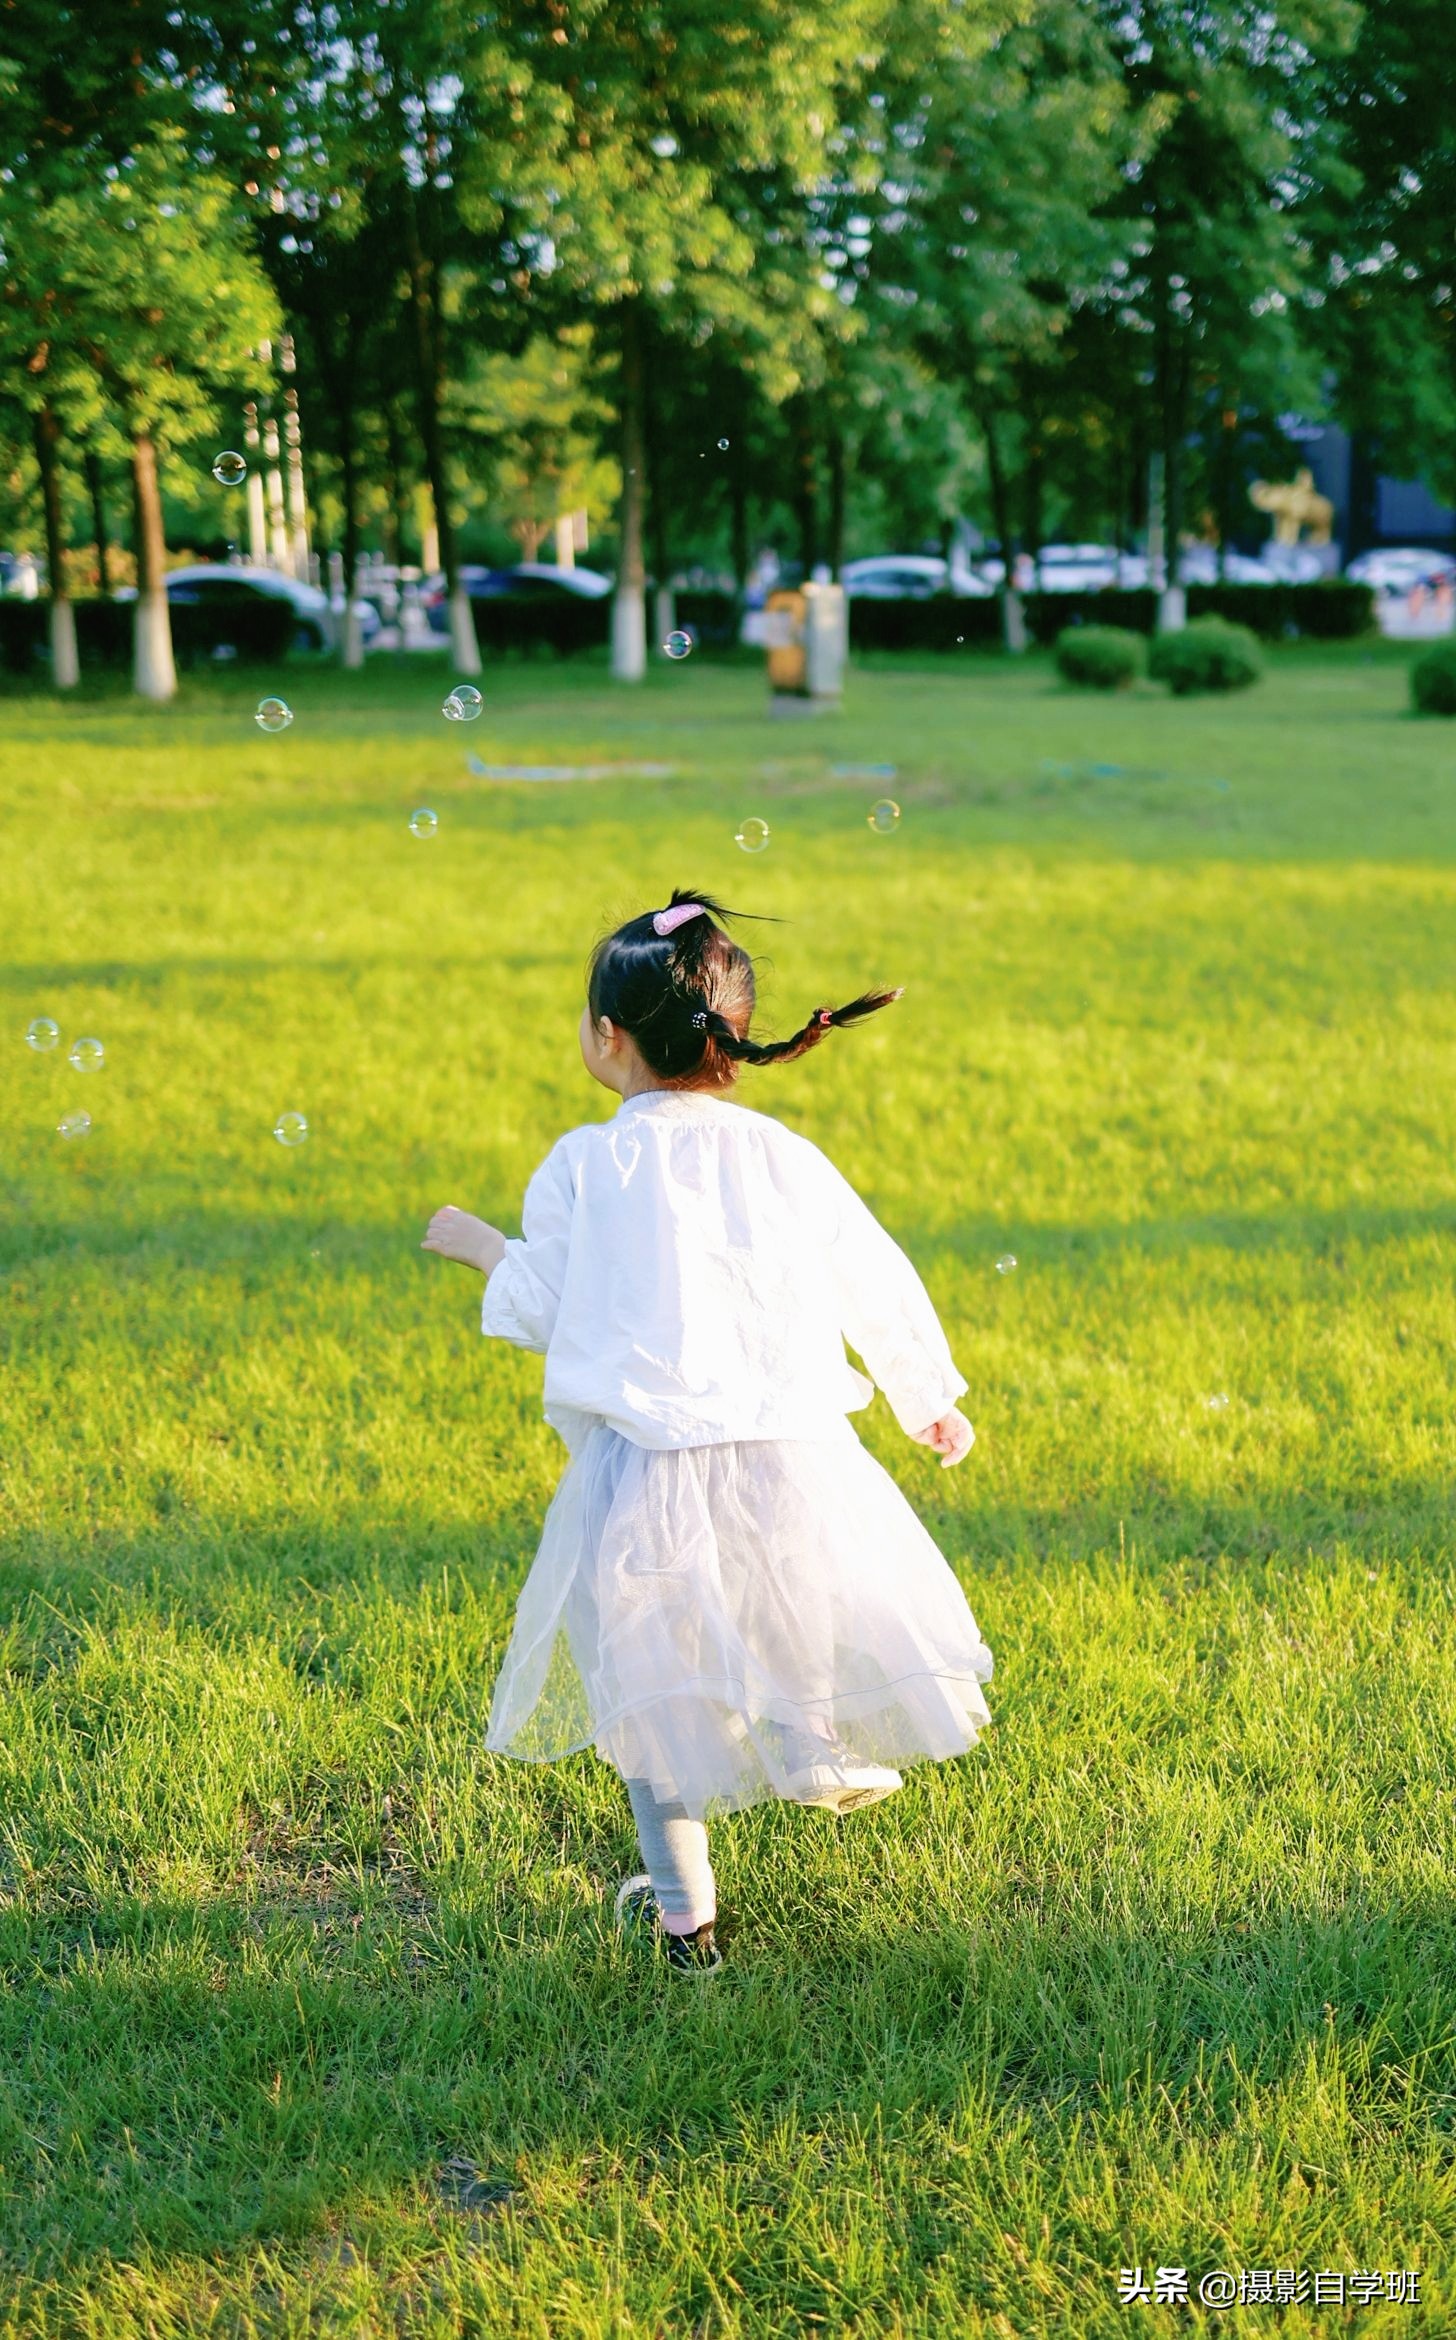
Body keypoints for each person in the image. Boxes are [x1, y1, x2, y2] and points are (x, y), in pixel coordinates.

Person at [422, 890, 994, 1980]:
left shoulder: (588, 1164)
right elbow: (869, 1271)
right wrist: (924, 1392)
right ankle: (809, 1746)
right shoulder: (782, 1156)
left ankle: (689, 1926)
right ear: (732, 1036)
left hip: (650, 1468)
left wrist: (486, 1249)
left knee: (655, 1698)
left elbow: (558, 1308)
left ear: (606, 1037)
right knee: (790, 1617)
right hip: (794, 1453)